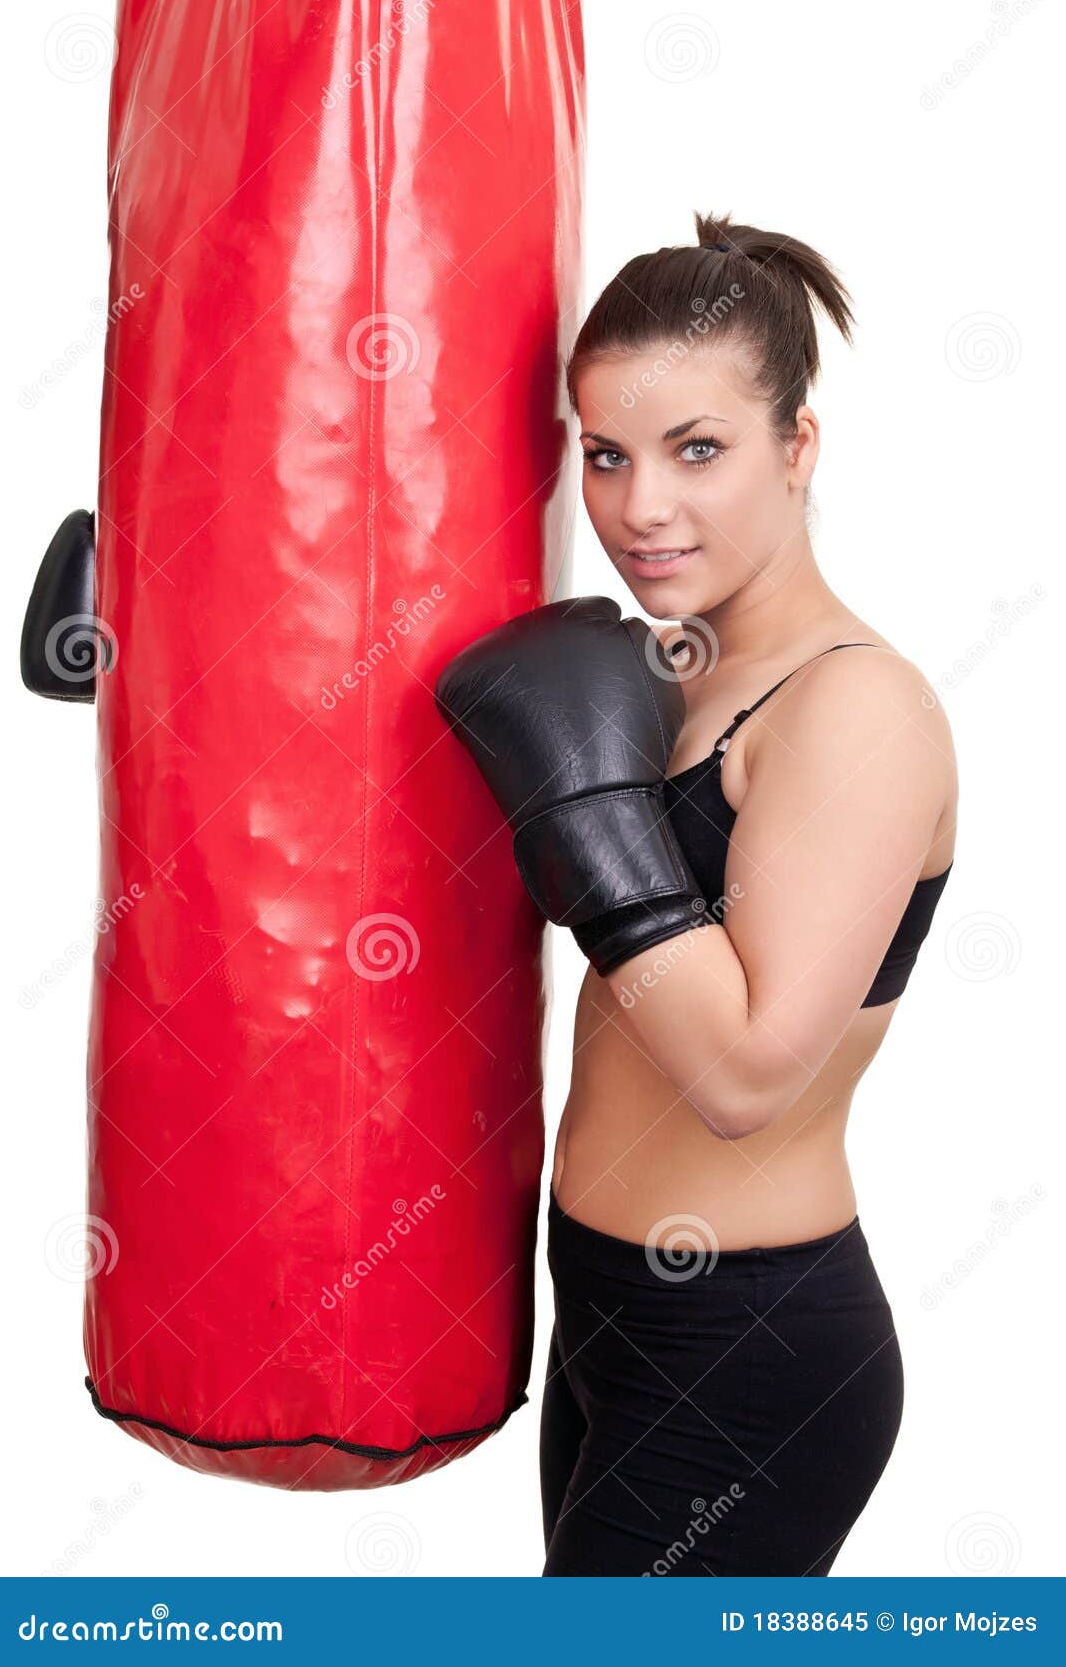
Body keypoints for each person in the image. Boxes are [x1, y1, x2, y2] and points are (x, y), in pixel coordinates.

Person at [435, 212, 958, 1576]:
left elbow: (743, 1078)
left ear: (799, 447)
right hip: (602, 1301)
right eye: (605, 454)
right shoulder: (664, 666)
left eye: (699, 450)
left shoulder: (857, 708)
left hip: (748, 1348)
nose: (640, 506)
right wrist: (176, 672)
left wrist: (591, 829)